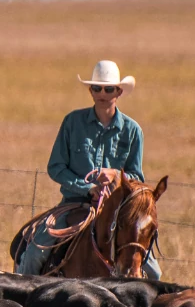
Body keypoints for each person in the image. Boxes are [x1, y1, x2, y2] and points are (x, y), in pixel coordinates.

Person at [15, 60, 160, 278]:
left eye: (109, 88)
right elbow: (56, 167)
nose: (103, 93)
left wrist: (115, 176)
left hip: (118, 213)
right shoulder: (72, 123)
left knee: (154, 273)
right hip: (73, 206)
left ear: (119, 92)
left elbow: (137, 177)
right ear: (90, 91)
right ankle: (23, 296)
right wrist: (87, 188)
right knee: (35, 252)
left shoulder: (132, 131)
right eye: (96, 88)